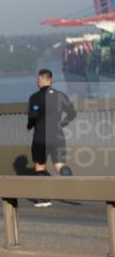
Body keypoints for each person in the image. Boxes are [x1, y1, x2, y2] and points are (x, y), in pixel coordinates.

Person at [27, 69, 77, 208]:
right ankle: (75, 188)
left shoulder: (35, 97)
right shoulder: (60, 95)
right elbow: (72, 113)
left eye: (37, 79)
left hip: (40, 137)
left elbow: (32, 116)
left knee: (40, 166)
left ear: (41, 80)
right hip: (58, 136)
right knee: (60, 165)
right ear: (51, 80)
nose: (37, 82)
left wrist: (29, 125)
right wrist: (62, 123)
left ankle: (44, 199)